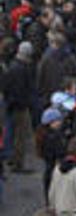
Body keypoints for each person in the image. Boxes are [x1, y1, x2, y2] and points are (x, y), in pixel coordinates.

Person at [3, 41, 36, 173]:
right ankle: (18, 163)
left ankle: (12, 158)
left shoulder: (12, 66)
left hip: (12, 104)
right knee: (20, 136)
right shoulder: (23, 69)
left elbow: (6, 87)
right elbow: (24, 90)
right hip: (20, 106)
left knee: (12, 132)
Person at [37, 107, 66, 204]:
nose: (60, 122)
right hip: (54, 167)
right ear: (50, 122)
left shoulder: (43, 134)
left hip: (49, 167)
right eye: (58, 120)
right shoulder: (53, 137)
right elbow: (59, 152)